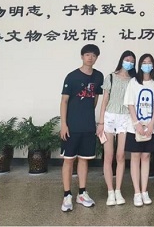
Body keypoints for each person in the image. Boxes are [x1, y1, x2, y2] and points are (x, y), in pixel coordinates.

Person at [60, 44, 103, 212]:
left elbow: (95, 98)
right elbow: (64, 101)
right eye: (87, 54)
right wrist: (64, 124)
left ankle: (82, 193)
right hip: (71, 126)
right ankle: (67, 195)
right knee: (69, 160)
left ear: (96, 58)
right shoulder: (71, 77)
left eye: (93, 55)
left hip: (88, 126)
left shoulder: (98, 76)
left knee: (84, 159)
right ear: (82, 56)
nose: (90, 58)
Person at [96, 50, 136, 206]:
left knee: (120, 155)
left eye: (132, 61)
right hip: (109, 117)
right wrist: (101, 122)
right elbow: (104, 101)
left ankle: (118, 190)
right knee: (108, 156)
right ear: (121, 60)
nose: (129, 63)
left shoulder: (133, 80)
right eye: (127, 59)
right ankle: (110, 191)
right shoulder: (111, 77)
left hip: (125, 117)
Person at [124, 53, 154, 207]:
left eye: (149, 62)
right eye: (144, 62)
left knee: (146, 157)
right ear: (140, 65)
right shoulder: (133, 82)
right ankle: (137, 192)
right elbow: (130, 103)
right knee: (135, 157)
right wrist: (136, 123)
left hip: (150, 127)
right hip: (135, 127)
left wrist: (151, 124)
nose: (147, 65)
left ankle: (145, 191)